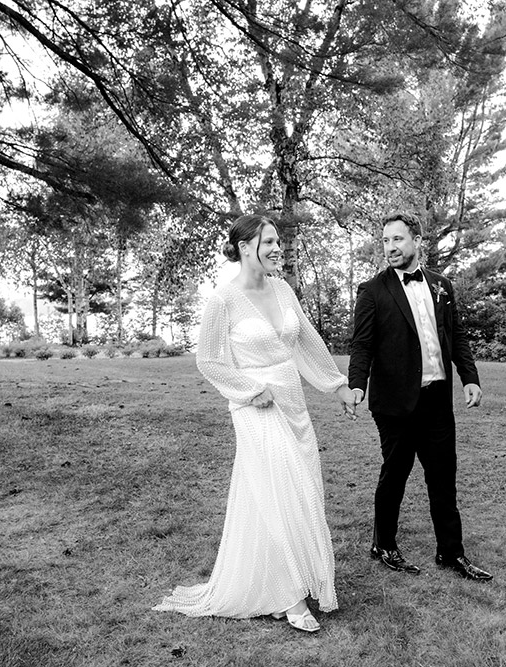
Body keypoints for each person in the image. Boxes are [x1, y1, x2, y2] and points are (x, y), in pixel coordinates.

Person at [154, 214, 357, 633]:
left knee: (300, 489)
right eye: (268, 241)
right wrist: (248, 389)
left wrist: (337, 387)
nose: (277, 248)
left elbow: (306, 341)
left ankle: (290, 576)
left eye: (278, 241)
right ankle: (291, 598)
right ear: (245, 247)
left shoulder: (283, 289)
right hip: (254, 408)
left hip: (292, 403)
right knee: (277, 490)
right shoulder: (223, 301)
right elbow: (208, 360)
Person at [347, 211, 493, 581]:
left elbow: (456, 336)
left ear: (416, 241)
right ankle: (384, 544)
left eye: (397, 239)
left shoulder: (442, 285)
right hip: (395, 403)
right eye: (385, 240)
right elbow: (361, 345)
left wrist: (469, 378)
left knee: (444, 478)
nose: (390, 247)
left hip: (438, 400)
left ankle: (451, 553)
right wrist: (356, 385)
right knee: (394, 475)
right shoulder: (373, 290)